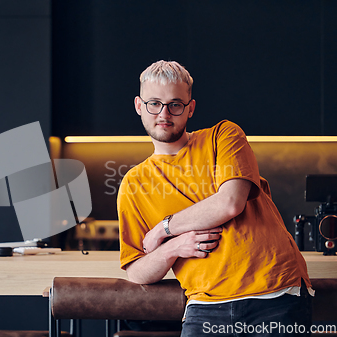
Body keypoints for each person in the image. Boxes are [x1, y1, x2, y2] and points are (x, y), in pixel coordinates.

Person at [117, 60, 313, 336]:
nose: (164, 113)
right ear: (139, 106)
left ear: (190, 108)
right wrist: (173, 247)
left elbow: (230, 202)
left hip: (276, 293)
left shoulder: (224, 136)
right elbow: (136, 271)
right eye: (154, 103)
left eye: (175, 104)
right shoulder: (134, 183)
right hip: (204, 305)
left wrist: (165, 228)